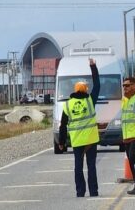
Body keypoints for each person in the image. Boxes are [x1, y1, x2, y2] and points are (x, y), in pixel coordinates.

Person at [58, 58, 100, 197]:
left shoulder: (68, 105)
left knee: (78, 167)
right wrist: (93, 67)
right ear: (86, 90)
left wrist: (62, 142)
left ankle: (80, 192)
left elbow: (63, 125)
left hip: (77, 142)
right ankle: (93, 192)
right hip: (91, 140)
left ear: (75, 90)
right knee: (91, 167)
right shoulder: (90, 100)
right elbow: (98, 85)